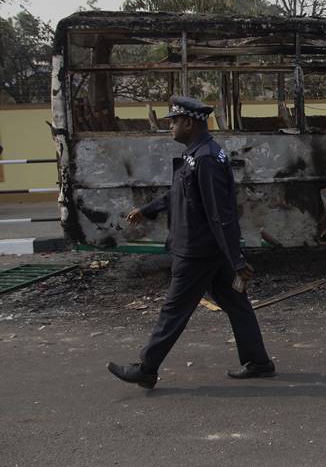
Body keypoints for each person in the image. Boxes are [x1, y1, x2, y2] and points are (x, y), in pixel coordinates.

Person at [107, 96, 275, 389]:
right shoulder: (197, 154)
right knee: (237, 304)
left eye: (173, 121)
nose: (170, 126)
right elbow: (180, 194)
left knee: (174, 310)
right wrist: (147, 209)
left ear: (189, 122)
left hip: (198, 251)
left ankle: (147, 368)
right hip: (209, 249)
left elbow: (219, 213)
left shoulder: (206, 158)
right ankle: (258, 361)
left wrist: (236, 259)